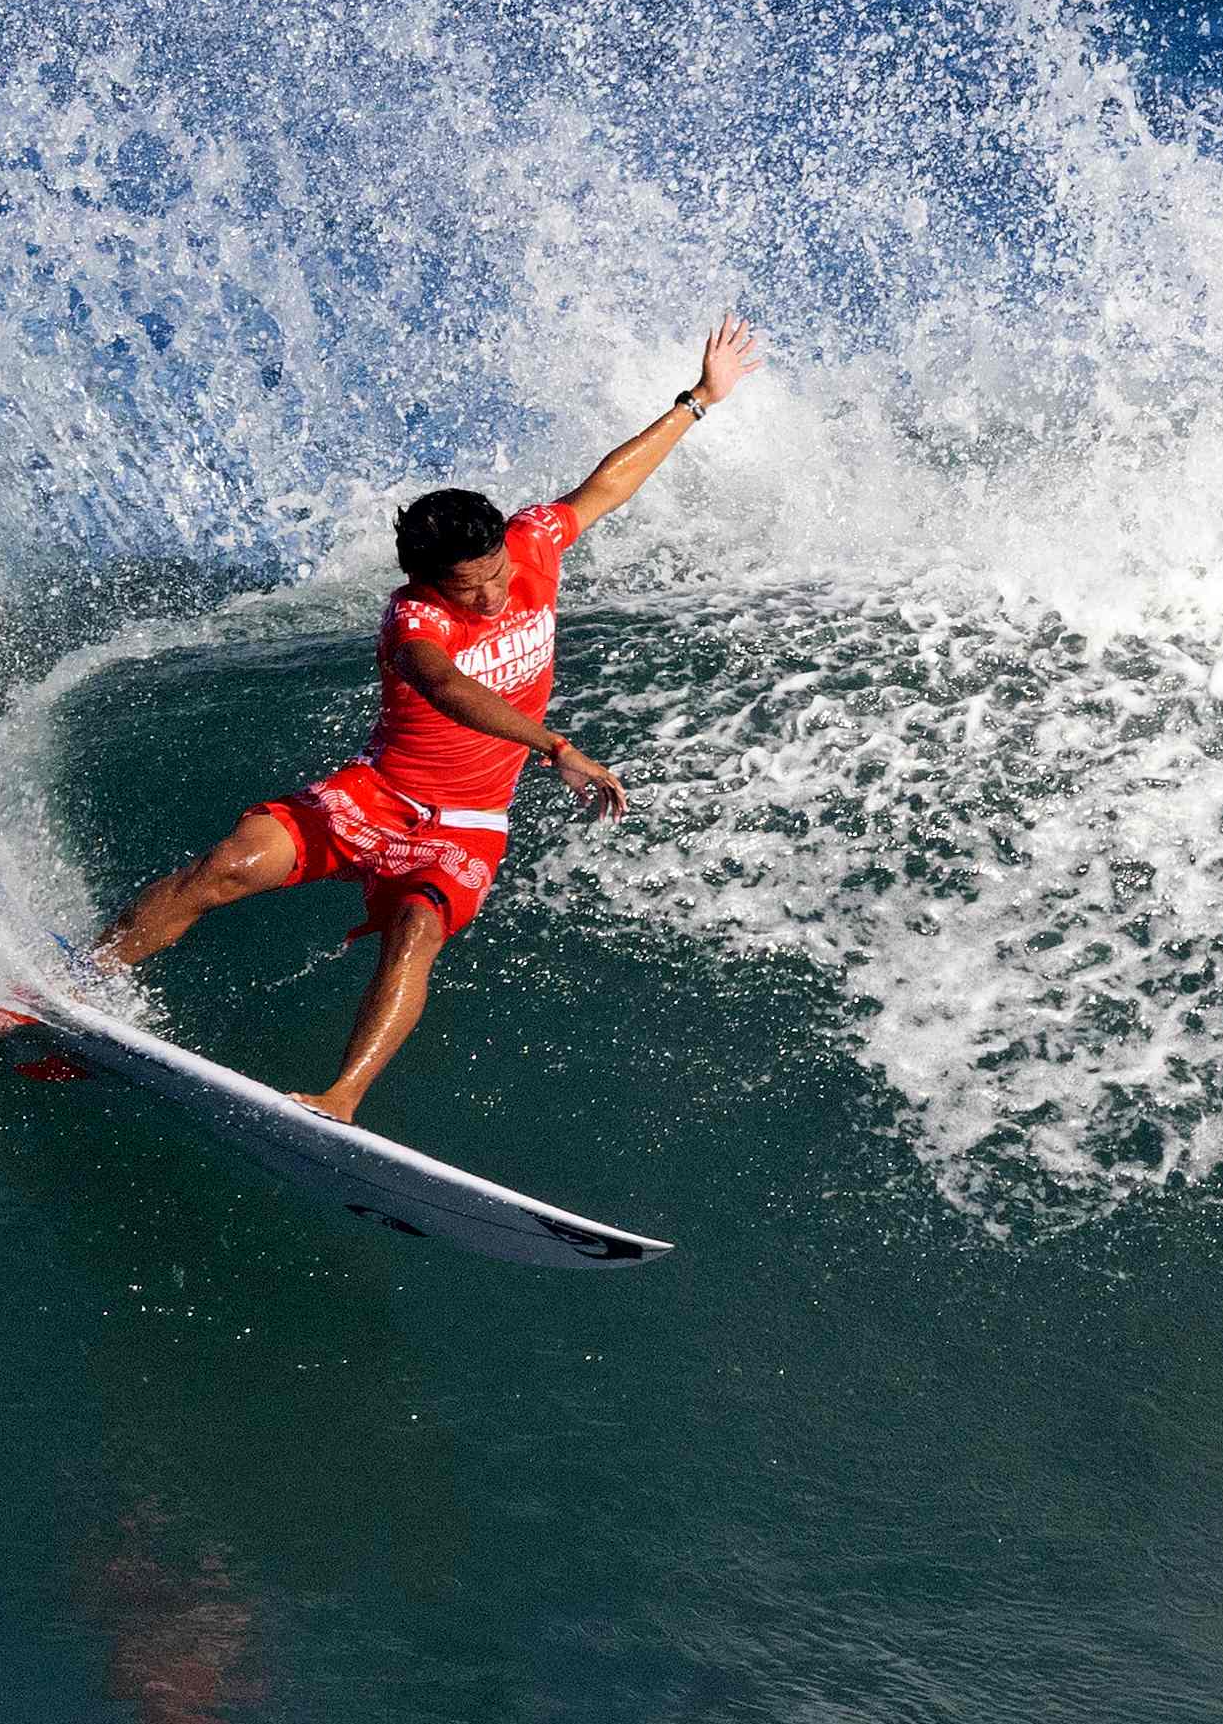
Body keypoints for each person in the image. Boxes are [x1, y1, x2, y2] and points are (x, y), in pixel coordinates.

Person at [89, 313, 764, 1121]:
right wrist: (554, 745)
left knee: (417, 927)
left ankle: (338, 1099)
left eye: (496, 575)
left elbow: (608, 483)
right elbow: (445, 689)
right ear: (426, 580)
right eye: (468, 587)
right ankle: (77, 985)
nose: (491, 595)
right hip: (379, 794)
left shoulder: (533, 545)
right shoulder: (414, 621)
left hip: (470, 819)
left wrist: (698, 400)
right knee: (230, 863)